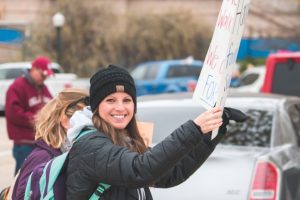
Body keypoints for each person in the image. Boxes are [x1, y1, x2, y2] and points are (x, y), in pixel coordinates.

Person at [65, 65, 247, 200]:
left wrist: (211, 133)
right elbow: (142, 170)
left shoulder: (124, 141)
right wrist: (195, 127)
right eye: (111, 100)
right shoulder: (90, 146)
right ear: (97, 106)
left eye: (127, 100)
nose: (120, 108)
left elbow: (172, 174)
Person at [12, 88, 89, 200]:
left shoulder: (67, 151)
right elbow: (22, 196)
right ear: (66, 121)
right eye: (87, 121)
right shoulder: (44, 156)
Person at [5, 56, 54, 174]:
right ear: (34, 69)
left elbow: (52, 105)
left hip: (40, 142)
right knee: (23, 179)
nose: (44, 79)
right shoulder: (17, 86)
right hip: (24, 144)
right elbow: (13, 113)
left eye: (46, 76)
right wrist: (37, 119)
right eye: (43, 75)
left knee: (36, 179)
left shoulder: (43, 88)